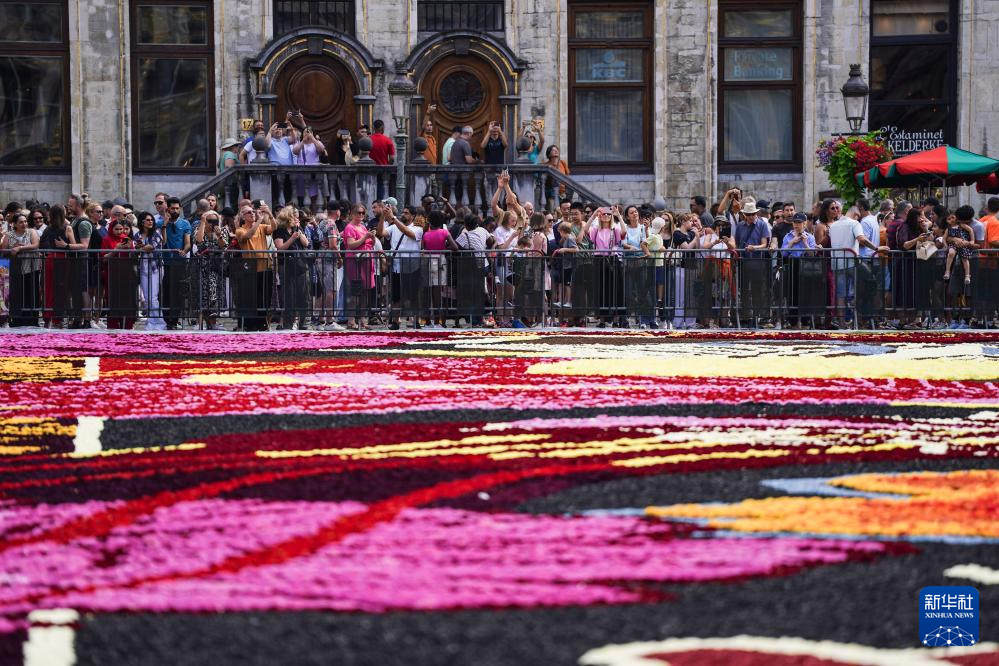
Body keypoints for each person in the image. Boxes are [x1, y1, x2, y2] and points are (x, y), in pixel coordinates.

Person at [827, 199, 888, 328]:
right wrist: (876, 248)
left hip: (837, 263)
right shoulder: (854, 223)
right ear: (855, 214)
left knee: (841, 293)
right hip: (852, 262)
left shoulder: (833, 225)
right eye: (858, 217)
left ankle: (842, 322)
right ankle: (862, 318)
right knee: (865, 286)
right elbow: (861, 239)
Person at [378, 202, 424, 329]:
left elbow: (408, 232)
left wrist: (393, 218)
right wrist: (383, 216)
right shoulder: (393, 227)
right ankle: (396, 321)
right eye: (403, 212)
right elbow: (381, 232)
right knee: (396, 296)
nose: (403, 214)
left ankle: (415, 320)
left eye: (406, 213)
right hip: (397, 266)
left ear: (413, 216)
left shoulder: (418, 228)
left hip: (412, 266)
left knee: (413, 296)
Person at [234, 202, 275, 331]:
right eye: (249, 212)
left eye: (253, 211)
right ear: (243, 217)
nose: (252, 214)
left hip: (265, 266)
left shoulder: (262, 227)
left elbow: (274, 227)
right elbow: (248, 236)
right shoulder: (240, 230)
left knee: (264, 297)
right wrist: (259, 221)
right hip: (250, 269)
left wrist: (270, 214)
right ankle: (250, 324)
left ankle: (262, 323)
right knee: (251, 298)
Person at [733, 196, 771, 325]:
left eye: (753, 214)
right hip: (744, 261)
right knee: (743, 289)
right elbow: (737, 243)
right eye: (749, 215)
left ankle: (757, 315)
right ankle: (746, 315)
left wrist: (754, 248)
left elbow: (764, 244)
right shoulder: (740, 226)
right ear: (745, 215)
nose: (751, 217)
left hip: (757, 261)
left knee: (757, 289)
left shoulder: (762, 224)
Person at [272, 206, 311, 330]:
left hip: (301, 263)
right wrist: (292, 238)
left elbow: (306, 243)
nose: (297, 219)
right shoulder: (280, 230)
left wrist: (299, 232)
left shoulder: (298, 228)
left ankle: (303, 323)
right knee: (289, 295)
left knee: (304, 294)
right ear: (288, 217)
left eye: (297, 218)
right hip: (287, 264)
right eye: (295, 217)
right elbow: (280, 248)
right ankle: (288, 323)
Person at [1, 212, 41, 326]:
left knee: (31, 294)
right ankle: (16, 320)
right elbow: (4, 252)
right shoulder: (9, 235)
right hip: (15, 271)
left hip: (31, 268)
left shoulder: (31, 232)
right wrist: (12, 250)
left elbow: (35, 245)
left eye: (25, 221)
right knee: (17, 295)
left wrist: (20, 248)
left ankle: (32, 320)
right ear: (15, 224)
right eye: (21, 222)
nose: (24, 224)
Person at [341, 203, 375, 329]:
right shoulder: (350, 227)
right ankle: (351, 320)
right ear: (352, 214)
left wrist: (372, 237)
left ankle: (363, 320)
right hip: (355, 261)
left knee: (365, 291)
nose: (360, 215)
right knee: (355, 290)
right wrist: (366, 237)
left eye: (362, 213)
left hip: (366, 260)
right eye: (358, 213)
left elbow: (371, 243)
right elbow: (351, 245)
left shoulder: (362, 226)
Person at [100, 218, 138, 329]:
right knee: (113, 299)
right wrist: (115, 250)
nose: (120, 231)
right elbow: (103, 258)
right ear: (111, 229)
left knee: (127, 299)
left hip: (127, 273)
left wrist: (130, 250)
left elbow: (133, 258)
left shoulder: (127, 239)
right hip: (112, 274)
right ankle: (113, 324)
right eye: (116, 229)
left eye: (121, 229)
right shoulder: (106, 240)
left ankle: (128, 324)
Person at [161, 197, 192, 330]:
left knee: (179, 292)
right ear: (167, 208)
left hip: (180, 262)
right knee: (167, 292)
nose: (175, 210)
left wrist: (184, 251)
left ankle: (175, 319)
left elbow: (188, 243)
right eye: (172, 208)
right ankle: (167, 320)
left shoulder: (185, 224)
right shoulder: (160, 223)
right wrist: (164, 224)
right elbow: (162, 242)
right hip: (166, 262)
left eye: (177, 208)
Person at [134, 210, 166, 331]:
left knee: (153, 297)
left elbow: (150, 247)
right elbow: (135, 247)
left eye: (151, 220)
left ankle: (159, 323)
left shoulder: (156, 234)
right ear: (142, 222)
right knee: (147, 298)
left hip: (155, 267)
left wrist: (139, 247)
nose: (150, 222)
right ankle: (151, 322)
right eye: (148, 220)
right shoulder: (137, 235)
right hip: (143, 267)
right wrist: (138, 247)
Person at [194, 210, 226, 330]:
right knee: (203, 295)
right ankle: (201, 323)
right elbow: (199, 241)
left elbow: (224, 246)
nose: (212, 223)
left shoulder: (222, 231)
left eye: (215, 221)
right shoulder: (199, 230)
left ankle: (212, 322)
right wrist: (203, 221)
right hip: (202, 268)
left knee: (215, 295)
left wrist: (219, 235)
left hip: (216, 268)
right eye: (210, 221)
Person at [292, 127, 327, 209]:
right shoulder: (300, 143)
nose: (307, 134)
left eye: (309, 132)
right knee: (302, 194)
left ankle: (314, 212)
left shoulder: (316, 143)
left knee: (314, 195)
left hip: (314, 173)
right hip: (301, 173)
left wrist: (313, 139)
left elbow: (321, 149)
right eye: (305, 132)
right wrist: (303, 141)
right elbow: (295, 151)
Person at [450, 126, 480, 207]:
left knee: (457, 196)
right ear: (469, 133)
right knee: (461, 196)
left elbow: (449, 158)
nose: (471, 136)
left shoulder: (456, 142)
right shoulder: (465, 143)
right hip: (462, 174)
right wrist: (478, 161)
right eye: (471, 134)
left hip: (454, 173)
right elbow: (469, 160)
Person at [942, 212, 974, 285]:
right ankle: (947, 271)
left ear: (956, 217)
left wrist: (972, 240)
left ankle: (967, 275)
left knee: (965, 259)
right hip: (953, 244)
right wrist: (945, 245)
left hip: (963, 244)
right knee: (951, 253)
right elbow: (944, 238)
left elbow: (970, 230)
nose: (951, 220)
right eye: (949, 219)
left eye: (953, 217)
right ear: (946, 221)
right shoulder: (948, 229)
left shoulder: (961, 225)